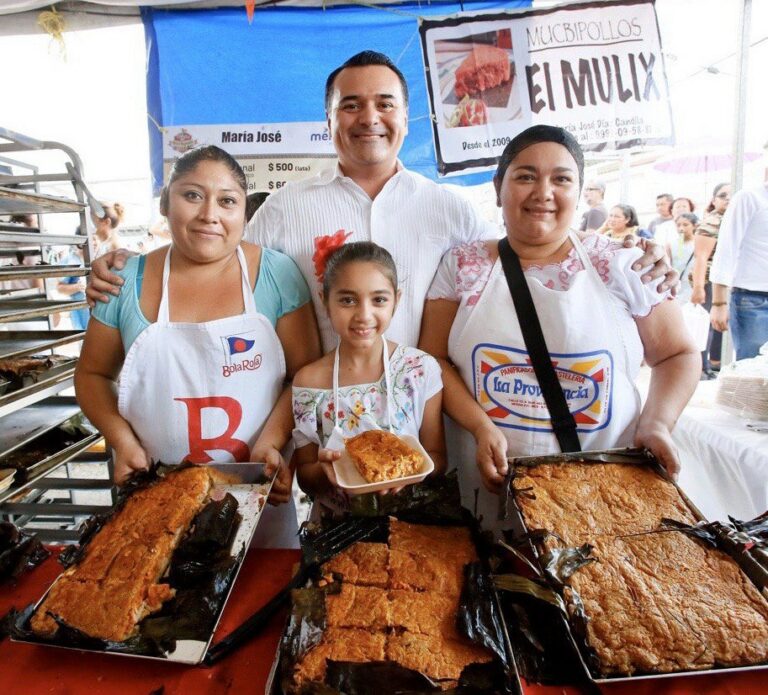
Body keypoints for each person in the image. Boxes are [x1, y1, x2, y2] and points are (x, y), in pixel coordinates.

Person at [87, 51, 677, 353]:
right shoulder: (287, 207)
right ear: (328, 120)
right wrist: (129, 268)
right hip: (324, 435)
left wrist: (636, 260)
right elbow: (214, 259)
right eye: (350, 105)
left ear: (406, 117)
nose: (369, 118)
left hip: (435, 430)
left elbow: (531, 260)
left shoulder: (453, 210)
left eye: (385, 104)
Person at [419, 126, 700, 526]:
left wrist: (657, 424)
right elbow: (433, 359)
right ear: (500, 186)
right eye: (525, 176)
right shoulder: (463, 265)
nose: (543, 192)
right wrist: (481, 428)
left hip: (604, 494)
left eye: (561, 179)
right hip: (489, 489)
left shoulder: (624, 264)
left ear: (580, 190)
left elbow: (677, 353)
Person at [74, 145, 321, 548]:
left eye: (227, 201)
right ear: (165, 204)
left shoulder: (276, 274)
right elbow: (91, 374)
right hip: (152, 496)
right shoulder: (124, 280)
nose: (210, 214)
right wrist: (121, 440)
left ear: (244, 213)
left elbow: (306, 376)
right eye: (192, 195)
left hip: (256, 493)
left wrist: (272, 443)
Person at [292, 241, 445, 516]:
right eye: (348, 300)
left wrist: (409, 473)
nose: (364, 315)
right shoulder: (309, 382)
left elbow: (437, 456)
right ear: (325, 301)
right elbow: (305, 477)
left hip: (411, 523)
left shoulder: (419, 370)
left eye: (379, 300)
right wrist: (323, 470)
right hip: (335, 528)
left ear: (396, 301)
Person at [709, 168, 768, 360]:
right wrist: (718, 302)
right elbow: (727, 248)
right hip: (753, 299)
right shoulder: (749, 198)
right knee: (754, 373)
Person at [691, 183, 730, 376]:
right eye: (723, 195)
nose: (728, 199)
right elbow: (701, 257)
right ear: (714, 200)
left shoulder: (731, 218)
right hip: (710, 281)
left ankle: (709, 366)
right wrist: (698, 288)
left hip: (725, 282)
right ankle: (700, 368)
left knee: (715, 330)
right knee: (704, 327)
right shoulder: (711, 222)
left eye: (732, 195)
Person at [56, 235, 90, 330]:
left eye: (96, 239)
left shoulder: (98, 257)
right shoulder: (71, 261)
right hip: (81, 313)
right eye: (92, 239)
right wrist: (78, 287)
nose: (94, 243)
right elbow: (60, 288)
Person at [669, 212, 697, 304]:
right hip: (676, 285)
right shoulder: (671, 244)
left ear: (694, 226)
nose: (681, 228)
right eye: (678, 225)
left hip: (693, 285)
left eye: (685, 225)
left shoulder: (698, 244)